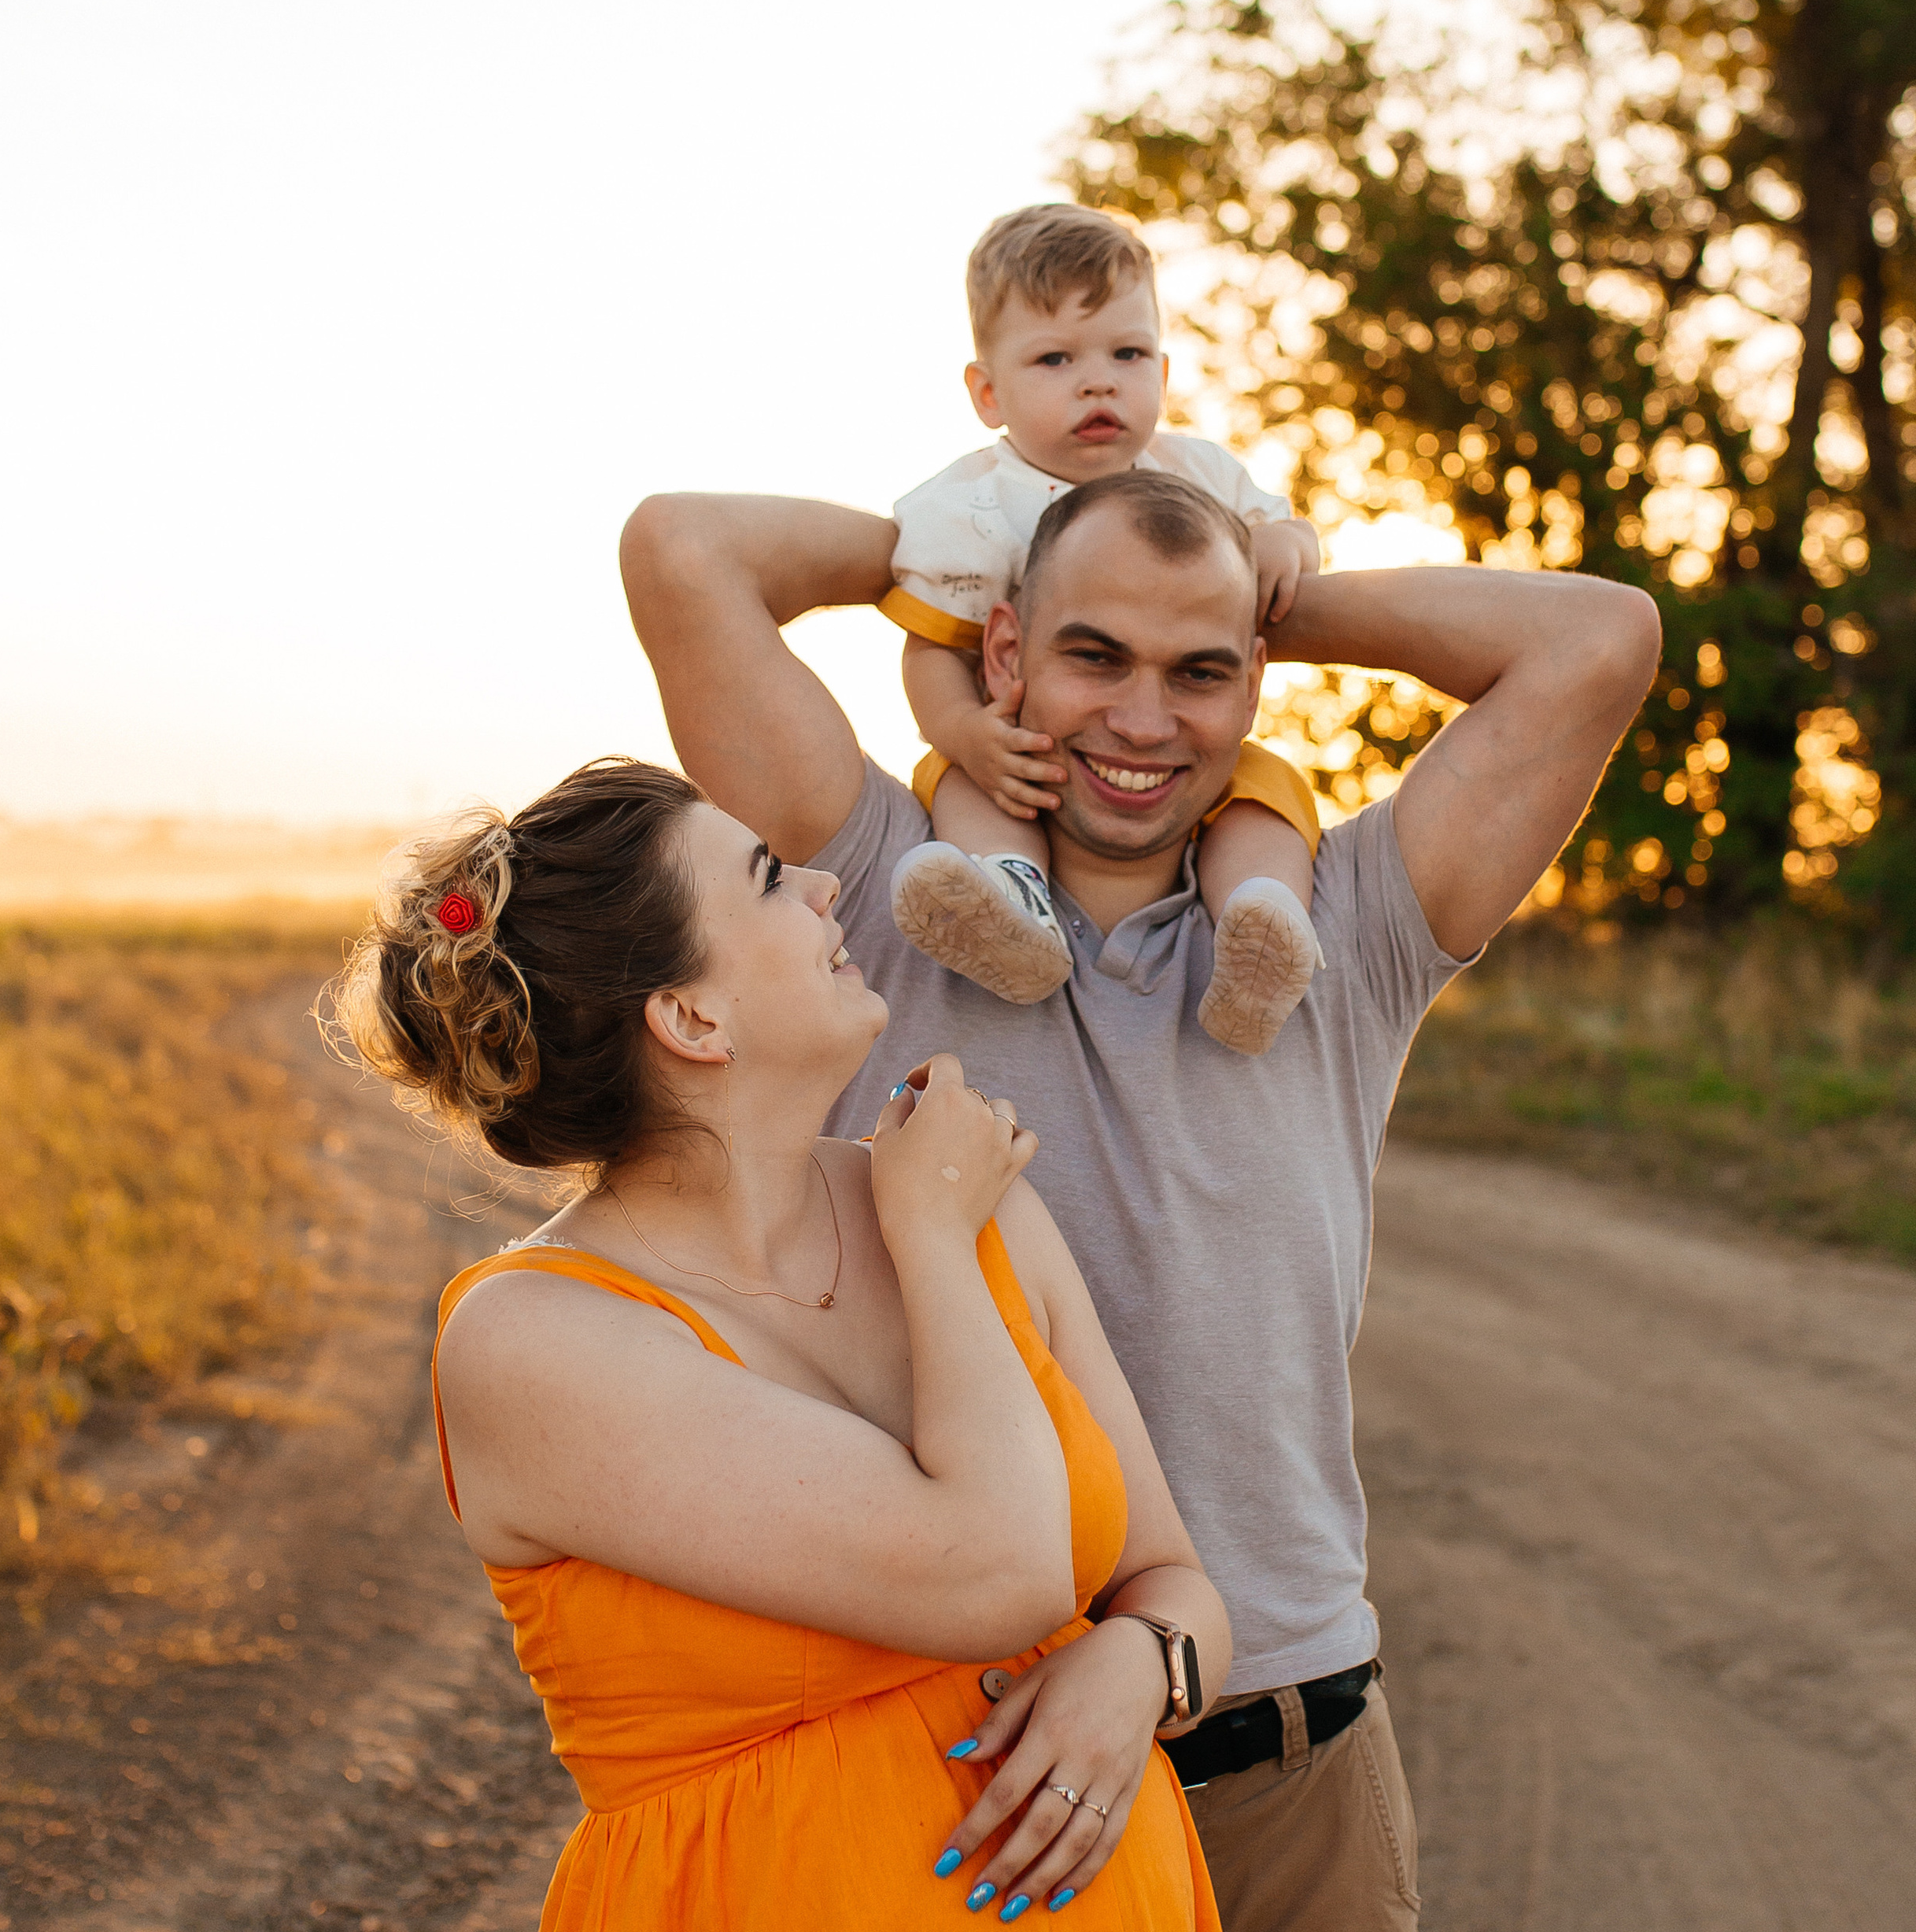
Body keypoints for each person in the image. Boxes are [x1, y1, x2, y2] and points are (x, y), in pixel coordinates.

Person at [621, 471, 1660, 1930]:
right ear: (1005, 652)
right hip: (972, 1770)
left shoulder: (1336, 925)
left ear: (1253, 682)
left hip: (1286, 1758)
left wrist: (1262, 593)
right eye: (1094, 654)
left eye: (1200, 673)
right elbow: (683, 552)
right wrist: (975, 562)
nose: (1144, 720)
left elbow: (1600, 639)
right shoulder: (882, 890)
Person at [326, 756, 1235, 1927]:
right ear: (692, 1018)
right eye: (764, 879)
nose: (821, 885)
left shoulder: (974, 1201)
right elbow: (997, 1573)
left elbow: (1174, 1582)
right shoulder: (532, 1337)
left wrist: (1141, 1663)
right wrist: (929, 1241)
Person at [885, 204, 1325, 1055]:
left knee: (1265, 794)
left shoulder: (1198, 473)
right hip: (1017, 743)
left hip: (1186, 766)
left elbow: (1284, 533)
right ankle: (1009, 902)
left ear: (1162, 367)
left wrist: (1285, 540)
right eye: (1055, 359)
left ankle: (1260, 929)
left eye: (1127, 355)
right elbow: (931, 644)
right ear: (988, 393)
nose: (1098, 383)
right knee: (967, 787)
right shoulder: (974, 507)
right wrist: (965, 733)